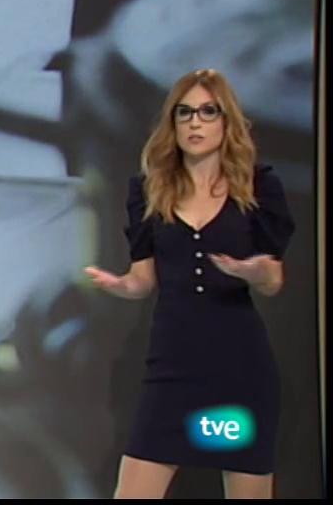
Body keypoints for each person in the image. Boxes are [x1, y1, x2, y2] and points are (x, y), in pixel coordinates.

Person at [84, 69, 295, 498]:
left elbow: (273, 280)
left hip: (239, 370)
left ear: (226, 121)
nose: (195, 123)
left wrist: (253, 270)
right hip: (172, 369)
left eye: (207, 112)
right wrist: (120, 285)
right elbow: (143, 281)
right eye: (185, 113)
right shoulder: (149, 190)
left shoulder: (258, 187)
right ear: (173, 123)